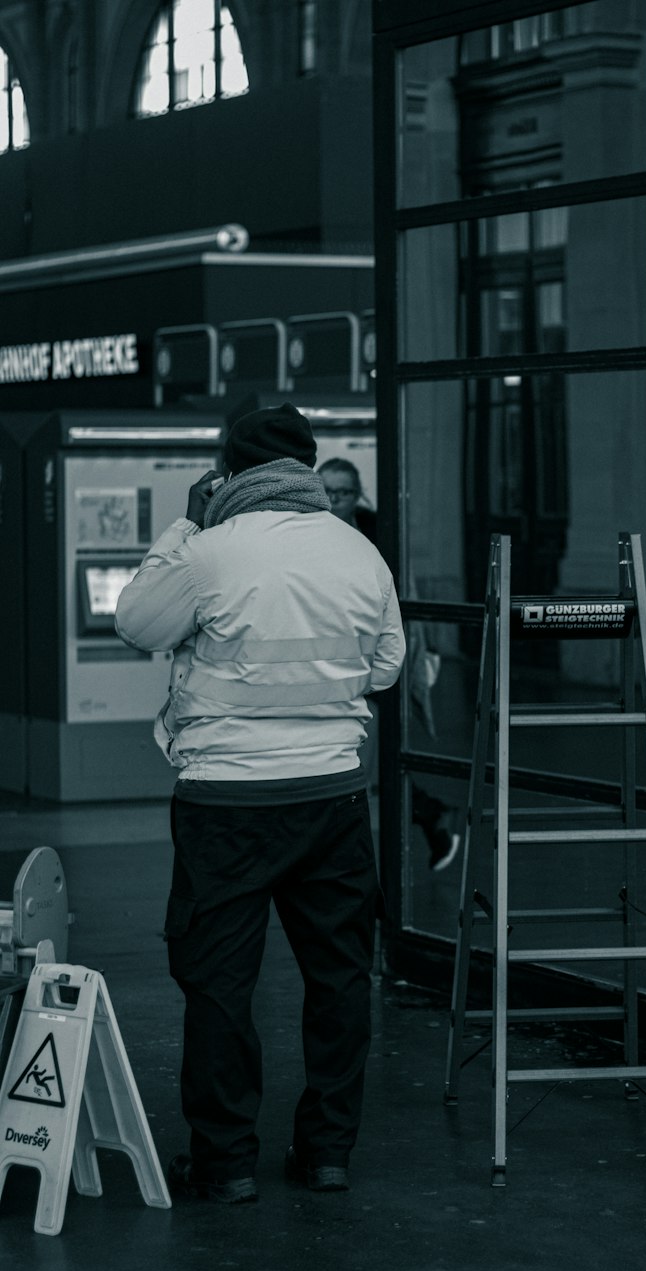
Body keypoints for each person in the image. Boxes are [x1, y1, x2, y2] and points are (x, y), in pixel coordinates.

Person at [115, 403, 404, 1205]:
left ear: (230, 472)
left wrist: (183, 528)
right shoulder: (359, 552)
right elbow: (385, 669)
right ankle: (326, 1154)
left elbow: (137, 623)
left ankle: (226, 1162)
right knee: (340, 979)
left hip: (227, 804)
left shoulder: (208, 552)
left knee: (219, 983)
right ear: (309, 469)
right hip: (333, 799)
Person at [318, 457, 460, 873]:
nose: (333, 500)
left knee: (360, 764)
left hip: (374, 663)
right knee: (370, 763)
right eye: (325, 491)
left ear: (357, 494)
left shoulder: (380, 530)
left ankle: (350, 865)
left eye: (342, 492)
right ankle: (431, 816)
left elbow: (403, 593)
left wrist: (421, 652)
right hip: (329, 661)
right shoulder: (307, 529)